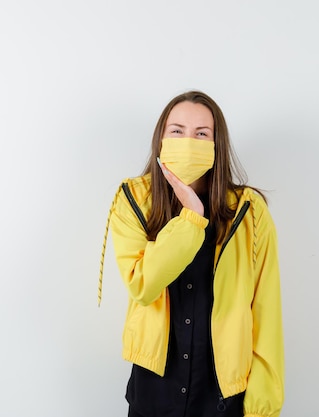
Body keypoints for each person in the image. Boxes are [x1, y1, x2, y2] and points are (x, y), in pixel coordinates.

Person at [98, 91, 284, 417]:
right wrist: (191, 219)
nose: (188, 141)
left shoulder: (250, 212)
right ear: (161, 139)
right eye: (177, 131)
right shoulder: (132, 200)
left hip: (222, 397)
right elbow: (142, 285)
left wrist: (261, 406)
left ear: (216, 144)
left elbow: (266, 313)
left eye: (201, 134)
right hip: (153, 394)